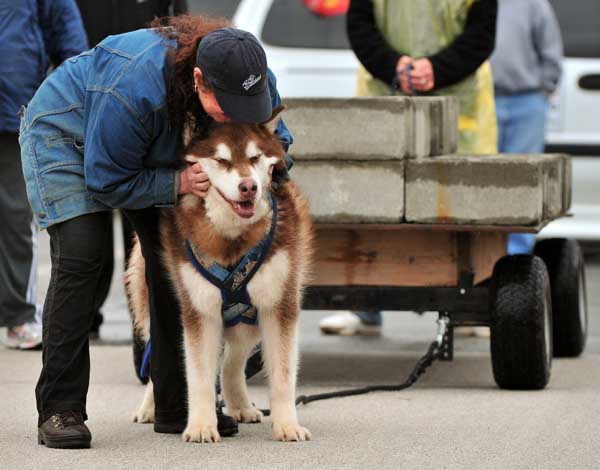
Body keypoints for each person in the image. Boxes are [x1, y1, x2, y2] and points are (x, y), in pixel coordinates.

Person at [21, 16, 292, 449]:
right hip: (68, 139)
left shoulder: (246, 78)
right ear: (200, 82)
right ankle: (61, 407)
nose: (240, 121)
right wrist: (178, 184)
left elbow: (278, 147)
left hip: (154, 144)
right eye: (229, 111)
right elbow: (106, 180)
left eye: (250, 109)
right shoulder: (134, 87)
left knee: (174, 261)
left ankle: (178, 404)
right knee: (83, 257)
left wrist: (266, 176)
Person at [319, 0, 498, 336]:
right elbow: (360, 25)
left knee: (464, 203)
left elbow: (482, 33)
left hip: (460, 101)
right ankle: (363, 308)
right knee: (370, 201)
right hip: (384, 94)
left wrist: (437, 68)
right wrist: (393, 65)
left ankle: (468, 308)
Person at [73, 0, 189, 339]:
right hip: (95, 98)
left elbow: (180, 26)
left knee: (142, 238)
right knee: (92, 231)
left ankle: (144, 338)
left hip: (145, 99)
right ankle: (88, 320)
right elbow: (65, 34)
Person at [0, 0, 88, 349]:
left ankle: (19, 317)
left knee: (16, 218)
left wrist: (54, 100)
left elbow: (72, 48)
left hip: (14, 111)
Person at [490, 0, 563, 255]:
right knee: (482, 182)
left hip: (527, 101)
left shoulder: (533, 4)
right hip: (483, 103)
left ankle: (516, 260)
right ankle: (486, 254)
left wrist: (542, 90)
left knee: (523, 183)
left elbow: (551, 51)